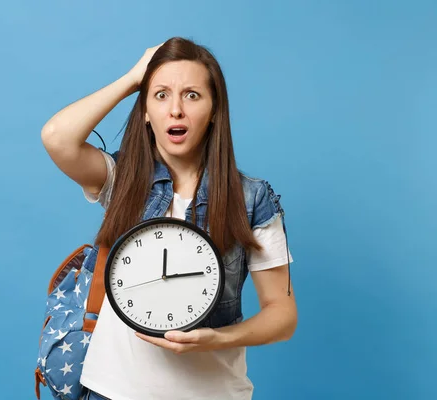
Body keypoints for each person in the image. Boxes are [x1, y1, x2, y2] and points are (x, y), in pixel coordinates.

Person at [41, 37, 298, 400]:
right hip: (110, 390)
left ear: (213, 110)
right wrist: (133, 78)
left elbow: (282, 313)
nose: (175, 109)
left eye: (192, 95)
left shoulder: (251, 199)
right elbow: (57, 138)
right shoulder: (122, 179)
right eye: (161, 95)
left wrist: (217, 339)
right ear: (145, 110)